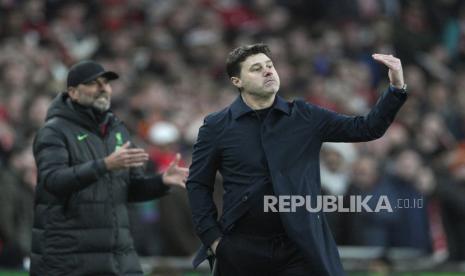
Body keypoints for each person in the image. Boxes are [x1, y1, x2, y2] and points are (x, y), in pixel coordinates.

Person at [187, 43, 407, 276]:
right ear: (237, 81)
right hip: (241, 247)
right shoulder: (216, 126)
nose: (268, 71)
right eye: (256, 68)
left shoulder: (305, 116)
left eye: (270, 66)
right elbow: (198, 183)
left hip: (300, 249)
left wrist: (396, 87)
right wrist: (214, 240)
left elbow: (366, 128)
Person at [31, 60, 188, 276]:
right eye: (94, 84)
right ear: (73, 93)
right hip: (68, 258)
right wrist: (104, 165)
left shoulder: (117, 130)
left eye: (106, 83)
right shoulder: (54, 132)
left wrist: (161, 182)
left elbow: (130, 189)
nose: (104, 88)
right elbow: (54, 182)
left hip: (118, 257)